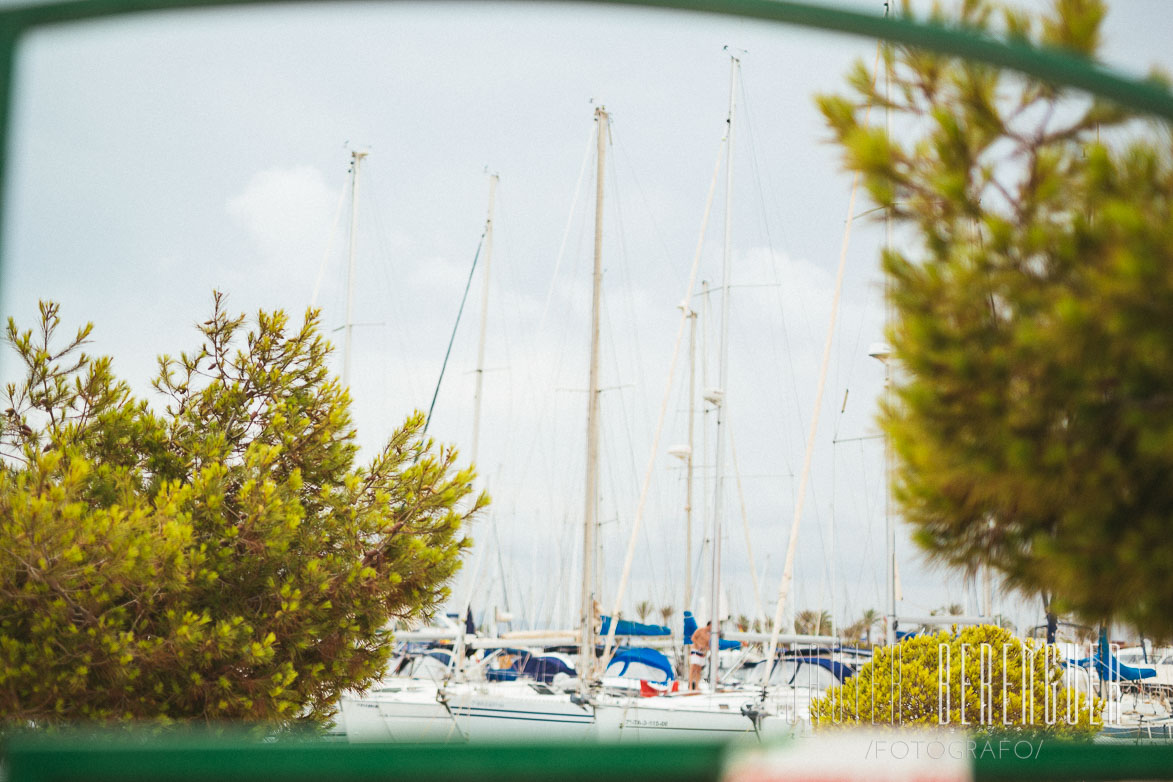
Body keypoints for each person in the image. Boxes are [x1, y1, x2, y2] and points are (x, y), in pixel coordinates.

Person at [688, 621, 711, 690]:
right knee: (693, 668)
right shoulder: (700, 630)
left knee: (699, 669)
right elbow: (693, 638)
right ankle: (690, 686)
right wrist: (698, 644)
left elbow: (707, 645)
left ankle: (697, 686)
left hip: (702, 653)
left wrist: (706, 649)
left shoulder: (709, 635)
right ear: (709, 625)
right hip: (695, 650)